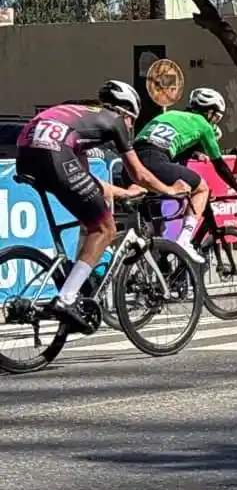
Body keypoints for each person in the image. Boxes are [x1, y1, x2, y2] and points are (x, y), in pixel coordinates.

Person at [16, 80, 188, 333]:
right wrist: (170, 190)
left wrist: (124, 193)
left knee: (91, 219)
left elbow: (87, 181)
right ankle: (66, 299)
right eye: (133, 121)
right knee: (104, 230)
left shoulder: (80, 119)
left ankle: (66, 287)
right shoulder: (114, 120)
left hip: (27, 152)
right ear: (126, 112)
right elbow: (140, 173)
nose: (129, 128)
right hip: (54, 152)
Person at [132, 87, 237, 266]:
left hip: (131, 161)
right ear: (210, 112)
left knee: (156, 223)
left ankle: (157, 264)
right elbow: (220, 165)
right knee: (201, 188)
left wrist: (192, 154)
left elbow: (173, 149)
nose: (215, 121)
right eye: (217, 117)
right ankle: (184, 240)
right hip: (155, 161)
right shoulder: (203, 124)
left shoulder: (170, 115)